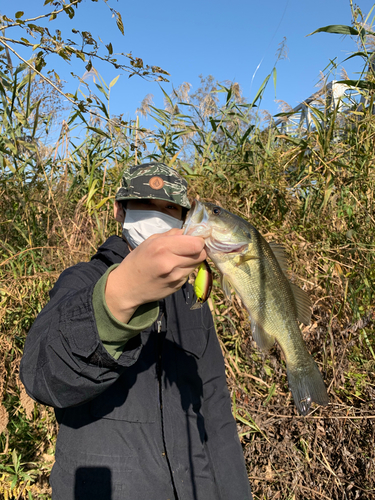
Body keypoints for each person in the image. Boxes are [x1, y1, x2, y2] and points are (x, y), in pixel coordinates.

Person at [20, 162, 253, 500]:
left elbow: (215, 406)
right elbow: (43, 376)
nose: (158, 215)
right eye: (145, 203)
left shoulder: (192, 298)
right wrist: (121, 294)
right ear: (119, 210)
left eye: (170, 208)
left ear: (185, 220)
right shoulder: (83, 280)